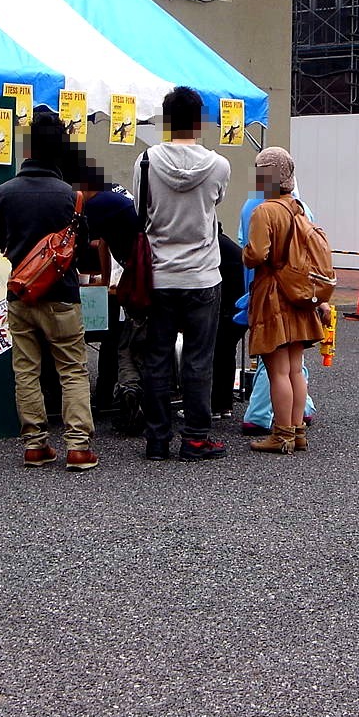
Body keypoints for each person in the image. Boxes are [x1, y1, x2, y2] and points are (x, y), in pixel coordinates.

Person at [0, 111, 97, 470]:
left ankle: (35, 444)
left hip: (20, 295)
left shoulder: (4, 194)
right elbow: (81, 251)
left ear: (28, 149)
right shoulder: (71, 196)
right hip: (63, 296)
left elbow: (2, 244)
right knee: (72, 369)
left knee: (26, 369)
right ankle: (79, 446)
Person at [133, 86, 231, 461]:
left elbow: (142, 209)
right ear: (200, 121)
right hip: (203, 274)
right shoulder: (219, 165)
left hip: (158, 273)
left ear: (166, 119)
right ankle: (195, 437)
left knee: (156, 358)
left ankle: (157, 439)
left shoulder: (145, 161)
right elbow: (215, 202)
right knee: (198, 359)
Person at [242, 147, 329, 454]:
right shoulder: (298, 208)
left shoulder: (265, 210)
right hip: (300, 295)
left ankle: (281, 434)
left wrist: (244, 251)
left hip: (274, 294)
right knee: (294, 368)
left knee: (277, 369)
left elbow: (256, 255)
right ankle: (297, 430)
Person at [77, 169, 142, 420]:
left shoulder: (99, 203)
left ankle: (124, 396)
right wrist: (106, 282)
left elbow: (78, 242)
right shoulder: (113, 196)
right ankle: (109, 396)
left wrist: (109, 282)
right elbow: (103, 242)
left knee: (124, 340)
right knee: (117, 337)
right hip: (134, 272)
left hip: (142, 273)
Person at [212, 223, 247, 421]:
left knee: (218, 354)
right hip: (239, 307)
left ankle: (215, 405)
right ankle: (224, 404)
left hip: (229, 308)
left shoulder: (213, 246)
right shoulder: (227, 244)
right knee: (225, 353)